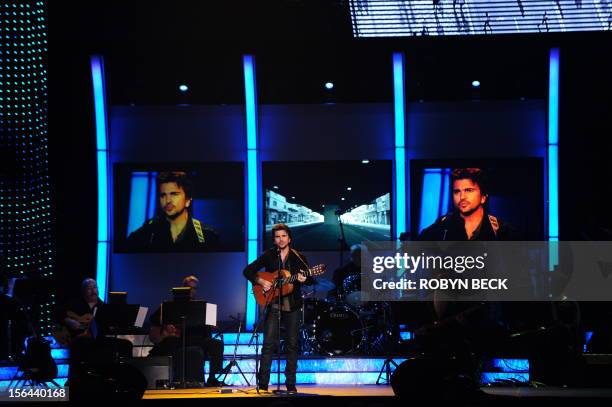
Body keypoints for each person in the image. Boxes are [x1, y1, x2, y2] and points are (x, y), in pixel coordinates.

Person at [243, 223, 314, 393]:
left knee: (292, 344)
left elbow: (310, 279)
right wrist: (261, 281)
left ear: (289, 238)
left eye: (284, 236)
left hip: (293, 304)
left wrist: (306, 279)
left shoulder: (299, 257)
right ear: (274, 240)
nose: (281, 239)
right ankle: (263, 383)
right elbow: (248, 271)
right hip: (273, 302)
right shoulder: (269, 255)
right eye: (277, 236)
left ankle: (290, 383)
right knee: (268, 343)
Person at [147, 275, 225, 387]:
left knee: (217, 344)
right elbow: (154, 320)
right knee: (175, 345)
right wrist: (166, 327)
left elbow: (212, 327)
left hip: (197, 340)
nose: (192, 291)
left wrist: (212, 325)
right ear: (183, 288)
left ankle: (212, 378)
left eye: (194, 288)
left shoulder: (202, 306)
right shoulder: (169, 305)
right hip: (178, 340)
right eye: (190, 288)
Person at [56, 279, 132, 381]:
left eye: (95, 287)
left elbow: (106, 328)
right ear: (83, 291)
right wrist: (69, 321)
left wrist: (113, 326)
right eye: (89, 288)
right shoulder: (75, 304)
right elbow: (57, 313)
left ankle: (122, 379)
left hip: (98, 340)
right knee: (84, 345)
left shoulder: (104, 307)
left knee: (126, 345)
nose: (93, 291)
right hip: (77, 339)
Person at [125, 171, 219, 251]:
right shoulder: (146, 233)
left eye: (174, 194)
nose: (168, 200)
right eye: (163, 195)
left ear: (187, 200)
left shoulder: (206, 235)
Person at [419, 168, 515, 241]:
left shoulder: (501, 230)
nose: (462, 197)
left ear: (483, 197)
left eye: (468, 190)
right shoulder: (442, 225)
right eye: (457, 192)